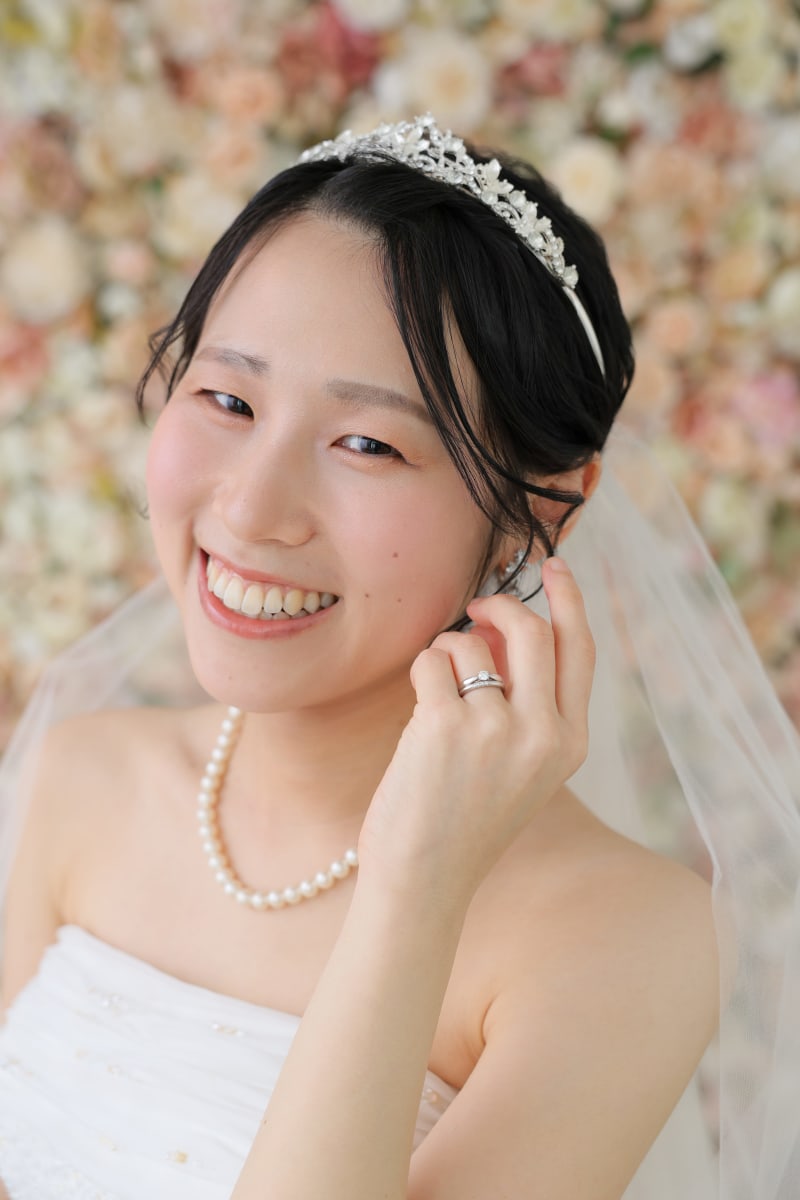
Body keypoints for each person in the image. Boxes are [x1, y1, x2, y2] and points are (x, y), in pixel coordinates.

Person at [0, 115, 797, 1199]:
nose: (252, 508)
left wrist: (415, 888)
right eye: (228, 399)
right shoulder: (80, 776)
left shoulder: (626, 939)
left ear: (540, 514)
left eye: (368, 443)